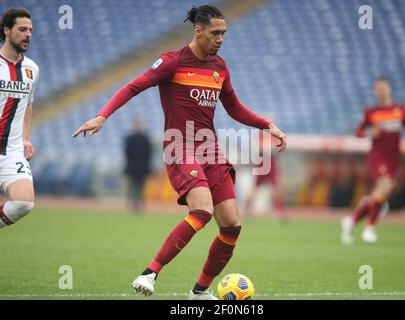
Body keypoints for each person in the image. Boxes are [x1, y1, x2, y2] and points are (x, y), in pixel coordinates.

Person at [73, 5, 286, 300]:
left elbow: (234, 108)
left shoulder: (219, 67)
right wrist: (102, 115)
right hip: (180, 145)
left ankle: (199, 292)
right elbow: (134, 86)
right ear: (197, 30)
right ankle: (149, 273)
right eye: (215, 33)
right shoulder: (172, 61)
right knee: (202, 211)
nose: (221, 38)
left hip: (210, 149)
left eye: (224, 33)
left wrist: (267, 125)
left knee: (232, 226)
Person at [341, 77, 405, 244]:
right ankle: (370, 228)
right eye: (377, 88)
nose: (381, 90)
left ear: (389, 89)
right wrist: (369, 133)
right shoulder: (370, 112)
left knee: (380, 194)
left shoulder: (400, 110)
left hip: (393, 158)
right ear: (374, 91)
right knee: (385, 186)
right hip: (377, 157)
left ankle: (351, 221)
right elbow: (358, 132)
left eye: (383, 87)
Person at [0, 8, 38, 233]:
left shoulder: (32, 69)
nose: (28, 34)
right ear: (7, 30)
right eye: (22, 29)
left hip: (8, 152)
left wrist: (26, 138)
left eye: (30, 30)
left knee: (24, 202)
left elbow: (28, 104)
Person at [124, 119, 152, 212]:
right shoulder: (130, 138)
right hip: (132, 168)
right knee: (132, 187)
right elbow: (127, 154)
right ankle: (131, 206)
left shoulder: (145, 139)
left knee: (142, 188)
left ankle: (140, 206)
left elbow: (149, 154)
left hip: (142, 169)